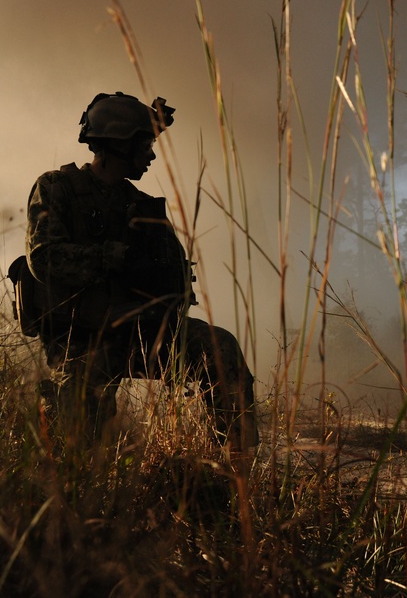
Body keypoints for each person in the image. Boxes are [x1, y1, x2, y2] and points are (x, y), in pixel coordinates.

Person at [24, 91, 258, 453]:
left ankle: (236, 467)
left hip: (140, 334)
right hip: (81, 336)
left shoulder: (142, 206)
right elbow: (43, 259)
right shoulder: (58, 188)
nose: (150, 155)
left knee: (220, 348)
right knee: (78, 430)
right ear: (118, 144)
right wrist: (111, 256)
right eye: (145, 144)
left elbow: (175, 277)